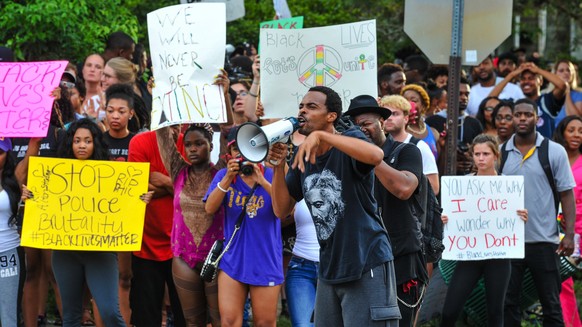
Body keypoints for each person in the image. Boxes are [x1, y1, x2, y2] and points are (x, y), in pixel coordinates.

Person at [268, 87, 400, 326]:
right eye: (301, 106)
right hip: (329, 266)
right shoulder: (302, 154)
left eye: (311, 107)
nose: (302, 111)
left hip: (365, 259)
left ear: (331, 116)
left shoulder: (350, 137)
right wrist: (278, 167)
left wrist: (323, 137)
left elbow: (375, 155)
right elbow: (280, 209)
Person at [21, 119, 151, 327]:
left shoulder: (110, 173)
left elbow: (124, 204)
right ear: (70, 144)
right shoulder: (55, 173)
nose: (82, 145)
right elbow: (41, 199)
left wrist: (139, 199)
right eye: (77, 141)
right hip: (65, 253)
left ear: (95, 144)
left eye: (88, 141)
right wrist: (29, 195)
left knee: (109, 312)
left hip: (100, 254)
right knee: (71, 316)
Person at [153, 70, 232, 327]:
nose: (193, 149)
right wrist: (158, 94)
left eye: (199, 143)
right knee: (192, 320)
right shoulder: (177, 170)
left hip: (216, 254)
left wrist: (225, 95)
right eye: (188, 145)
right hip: (183, 256)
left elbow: (229, 130)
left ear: (210, 144)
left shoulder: (221, 170)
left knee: (220, 318)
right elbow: (163, 131)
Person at [347, 95, 427, 326]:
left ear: (382, 123)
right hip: (363, 258)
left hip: (401, 256)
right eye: (354, 127)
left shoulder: (406, 152)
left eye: (366, 124)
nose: (361, 131)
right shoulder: (348, 159)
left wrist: (370, 156)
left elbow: (404, 189)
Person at [501, 98, 576, 326]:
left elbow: (566, 194)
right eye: (518, 115)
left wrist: (570, 234)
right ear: (512, 118)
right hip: (509, 242)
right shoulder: (500, 151)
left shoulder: (554, 151)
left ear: (537, 118)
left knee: (551, 304)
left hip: (543, 242)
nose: (522, 118)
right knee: (508, 303)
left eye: (528, 114)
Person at [440, 134, 528, 326]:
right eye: (477, 154)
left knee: (496, 313)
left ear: (496, 156)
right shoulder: (462, 185)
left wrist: (521, 217)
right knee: (449, 312)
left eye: (486, 154)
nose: (481, 158)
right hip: (469, 256)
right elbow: (453, 216)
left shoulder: (509, 186)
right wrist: (446, 219)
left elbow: (513, 220)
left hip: (498, 257)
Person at [204, 126, 283, 327]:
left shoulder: (273, 175)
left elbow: (283, 210)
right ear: (228, 154)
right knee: (229, 321)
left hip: (265, 260)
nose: (242, 154)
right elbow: (209, 208)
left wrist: (262, 181)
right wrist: (228, 179)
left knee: (265, 322)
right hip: (233, 260)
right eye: (235, 150)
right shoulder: (223, 175)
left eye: (248, 147)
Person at [127, 129, 186, 327]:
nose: (174, 127)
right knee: (146, 315)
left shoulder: (189, 143)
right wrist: (175, 186)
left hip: (183, 245)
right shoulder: (139, 142)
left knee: (186, 314)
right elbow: (136, 186)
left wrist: (166, 181)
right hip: (146, 242)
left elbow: (194, 190)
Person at [0, 136, 41, 326]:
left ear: (7, 154)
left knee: (9, 315)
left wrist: (36, 138)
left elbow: (32, 151)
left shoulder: (14, 180)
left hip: (9, 254)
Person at [552, 116, 582, 327]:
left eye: (580, 131)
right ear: (562, 132)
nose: (576, 135)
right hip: (560, 228)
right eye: (571, 130)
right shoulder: (555, 158)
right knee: (564, 280)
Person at [381, 95, 440, 195]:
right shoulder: (378, 146)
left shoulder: (420, 146)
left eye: (395, 114)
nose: (389, 118)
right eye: (386, 115)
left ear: (406, 118)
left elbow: (434, 187)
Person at [490, 62, 566, 139]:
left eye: (531, 78)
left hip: (545, 149)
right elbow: (490, 100)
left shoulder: (546, 101)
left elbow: (562, 86)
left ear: (541, 81)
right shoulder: (515, 103)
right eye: (523, 79)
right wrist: (511, 75)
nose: (526, 82)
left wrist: (538, 70)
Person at [284, 200, 319, 327]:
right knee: (303, 325)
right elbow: (278, 215)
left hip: (335, 267)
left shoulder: (346, 181)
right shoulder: (297, 181)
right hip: (301, 268)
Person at [401, 84, 440, 161]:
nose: (408, 104)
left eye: (414, 101)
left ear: (423, 106)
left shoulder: (433, 132)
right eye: (404, 101)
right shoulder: (398, 131)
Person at [552, 59, 582, 127]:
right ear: (554, 74)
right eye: (561, 71)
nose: (566, 73)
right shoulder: (547, 95)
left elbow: (575, 120)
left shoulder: (579, 95)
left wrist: (567, 91)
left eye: (568, 70)